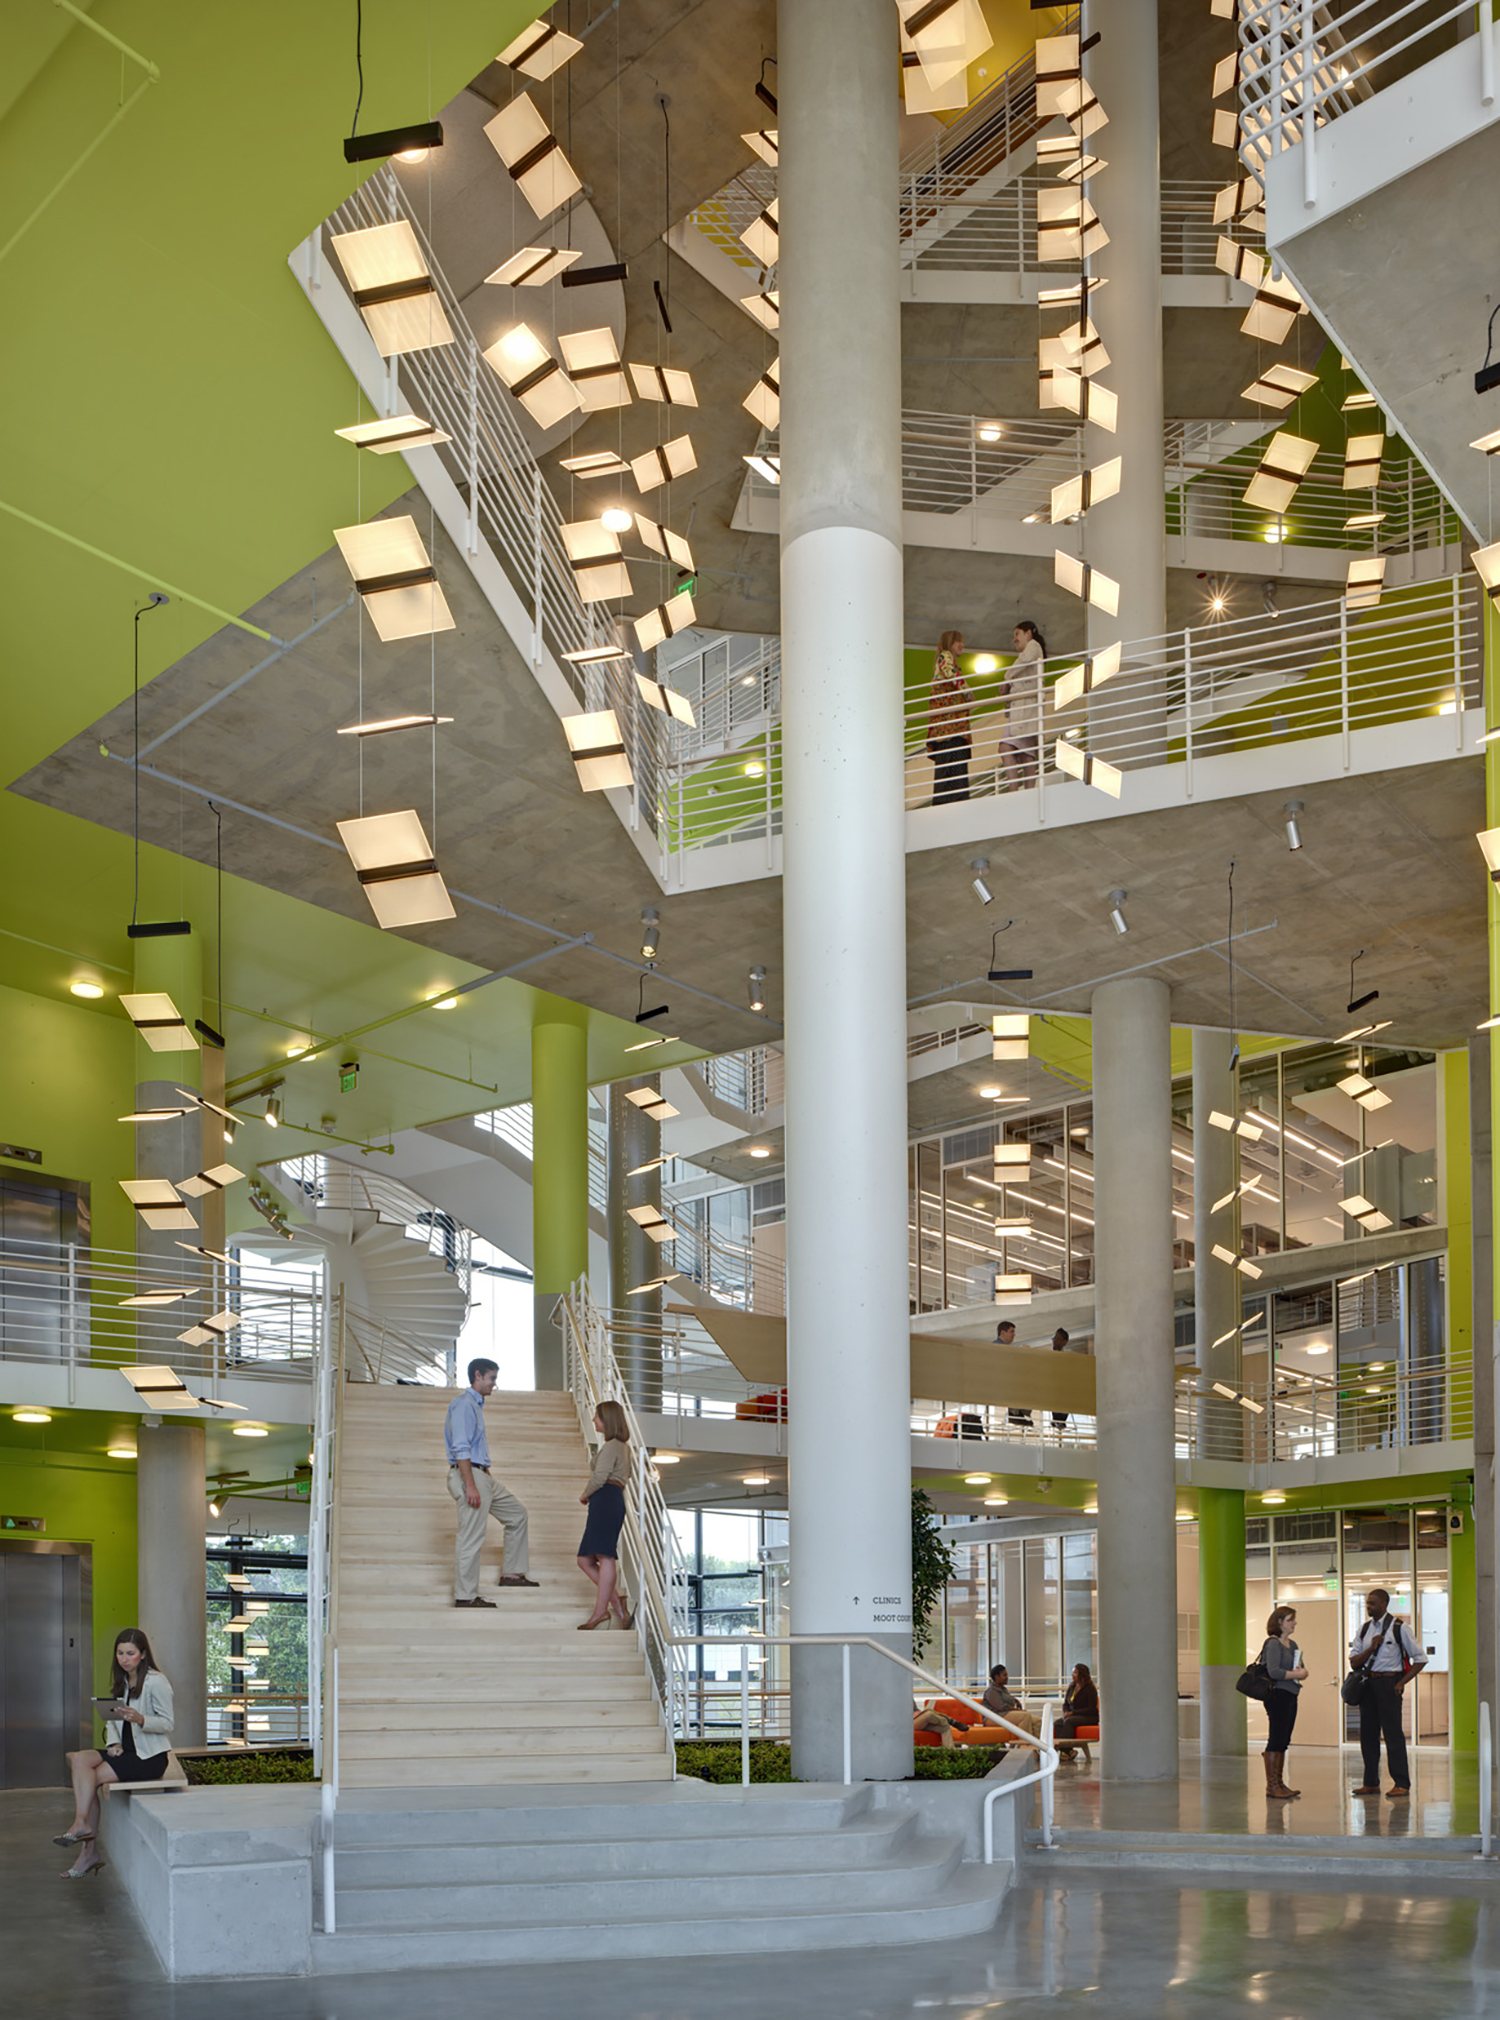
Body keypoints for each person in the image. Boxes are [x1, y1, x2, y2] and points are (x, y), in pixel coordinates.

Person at [56, 1628, 174, 1878]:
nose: (124, 1658)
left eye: (130, 1653)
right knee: (77, 1758)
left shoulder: (156, 1681)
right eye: (120, 1653)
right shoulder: (122, 1680)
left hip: (149, 1758)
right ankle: (82, 1826)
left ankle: (86, 1844)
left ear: (142, 1655)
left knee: (92, 1776)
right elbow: (112, 1719)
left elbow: (168, 1723)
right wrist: (113, 1744)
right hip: (126, 1751)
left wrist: (142, 1719)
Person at [444, 1357, 538, 1605]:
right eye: (492, 1379)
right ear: (478, 1376)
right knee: (471, 1536)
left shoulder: (475, 1406)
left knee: (517, 1514)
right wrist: (471, 1484)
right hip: (469, 1474)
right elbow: (461, 1447)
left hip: (481, 1474)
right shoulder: (464, 1405)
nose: (494, 1385)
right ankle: (465, 1596)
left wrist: (483, 1477)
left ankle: (512, 1573)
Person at [1349, 1587, 1426, 1797]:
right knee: (1368, 1735)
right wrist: (1371, 1648)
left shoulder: (1400, 1628)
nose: (1368, 1606)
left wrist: (1402, 1682)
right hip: (1368, 1685)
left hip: (1389, 1684)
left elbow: (1420, 1659)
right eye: (1367, 1602)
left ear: (1384, 1604)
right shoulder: (1364, 1630)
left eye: (1372, 1603)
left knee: (1393, 1735)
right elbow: (1354, 1660)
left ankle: (1401, 1783)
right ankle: (1371, 1782)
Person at [577, 1399, 634, 1631]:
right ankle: (616, 1601)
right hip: (610, 1499)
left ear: (607, 1420)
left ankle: (600, 1613)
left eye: (597, 1417)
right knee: (585, 1559)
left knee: (604, 1556)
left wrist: (584, 1495)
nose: (593, 1420)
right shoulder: (621, 1447)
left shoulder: (612, 1446)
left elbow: (600, 1477)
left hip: (606, 1497)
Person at [1259, 1604, 1308, 1800]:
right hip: (1277, 1695)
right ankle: (1272, 1785)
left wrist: (1301, 1672)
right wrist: (1297, 1673)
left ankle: (1279, 1782)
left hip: (1291, 1693)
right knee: (1276, 1737)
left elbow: (1300, 1666)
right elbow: (1274, 1672)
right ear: (1280, 1623)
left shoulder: (1293, 1644)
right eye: (1290, 1620)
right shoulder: (1272, 1644)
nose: (1294, 1623)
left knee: (1284, 1738)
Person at [998, 621, 1047, 790]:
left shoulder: (1033, 646)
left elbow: (1024, 661)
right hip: (1022, 712)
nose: (1014, 639)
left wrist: (1007, 678)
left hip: (1026, 711)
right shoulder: (1028, 653)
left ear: (1028, 634)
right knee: (1026, 753)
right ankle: (1026, 791)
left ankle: (1015, 788)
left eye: (1017, 634)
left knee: (1006, 747)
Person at [926, 631, 972, 804]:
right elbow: (951, 674)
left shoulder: (945, 660)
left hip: (946, 729)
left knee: (947, 771)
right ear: (949, 643)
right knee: (954, 768)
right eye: (958, 641)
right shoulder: (945, 657)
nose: (962, 645)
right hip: (949, 727)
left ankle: (947, 801)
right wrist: (968, 694)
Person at [982, 1663, 1042, 1739]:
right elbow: (1001, 1707)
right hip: (993, 1717)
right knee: (1025, 1716)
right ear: (997, 1677)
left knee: (1037, 1721)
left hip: (1004, 1714)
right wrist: (1017, 1710)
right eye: (1004, 1675)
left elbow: (1009, 1699)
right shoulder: (991, 1691)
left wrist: (1016, 1701)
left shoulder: (1003, 1689)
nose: (1007, 1677)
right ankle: (1024, 1745)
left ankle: (1037, 1747)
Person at [1053, 1662, 1099, 1762]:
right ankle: (1068, 1751)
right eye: (1073, 1672)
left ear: (1082, 1674)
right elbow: (1065, 1703)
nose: (1072, 1675)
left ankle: (1061, 1749)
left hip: (1089, 1716)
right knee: (1057, 1723)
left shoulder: (1090, 1689)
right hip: (1073, 1715)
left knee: (1069, 1721)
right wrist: (1065, 1711)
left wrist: (1073, 1713)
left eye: (1075, 1673)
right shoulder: (1072, 1686)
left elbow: (1091, 1708)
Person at [997, 1319, 1032, 1428]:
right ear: (1003, 1333)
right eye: (1011, 1332)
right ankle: (1015, 1414)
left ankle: (1018, 1414)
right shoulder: (997, 1347)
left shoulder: (1004, 1348)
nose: (1014, 1335)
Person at [1050, 1327, 1072, 1430]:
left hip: (1062, 1389)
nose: (1054, 1340)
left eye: (1057, 1338)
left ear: (1064, 1342)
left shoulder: (1068, 1358)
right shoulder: (1047, 1355)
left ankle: (1060, 1421)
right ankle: (1057, 1420)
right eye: (1054, 1338)